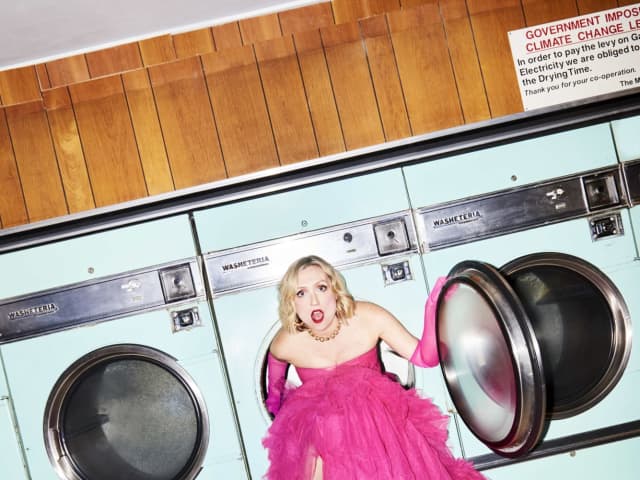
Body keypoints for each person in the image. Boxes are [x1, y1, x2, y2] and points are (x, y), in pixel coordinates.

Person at [262, 255, 485, 480]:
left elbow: (424, 358)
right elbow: (275, 401)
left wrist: (434, 310)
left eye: (321, 288)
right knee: (324, 429)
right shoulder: (285, 343)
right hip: (325, 437)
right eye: (301, 293)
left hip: (381, 424)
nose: (314, 302)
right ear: (292, 302)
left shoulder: (368, 317)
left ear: (335, 291)